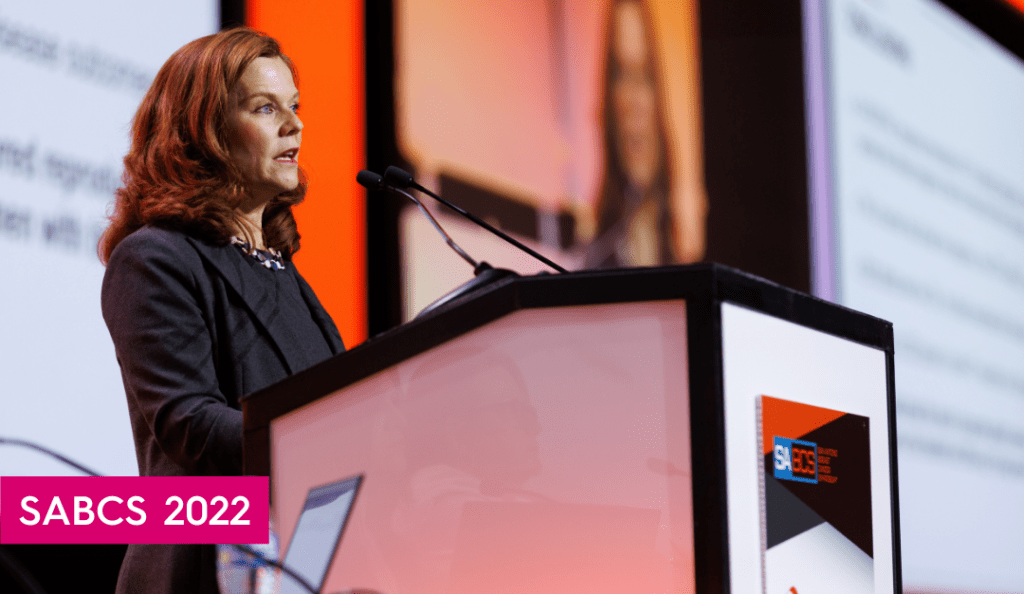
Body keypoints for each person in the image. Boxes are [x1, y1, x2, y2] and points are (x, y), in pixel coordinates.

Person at [98, 27, 345, 594]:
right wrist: (340, 433)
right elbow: (191, 425)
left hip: (298, 563)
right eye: (265, 108)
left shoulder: (285, 273)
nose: (295, 125)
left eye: (295, 106)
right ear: (203, 130)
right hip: (201, 570)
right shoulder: (155, 258)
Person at [585, 0, 679, 268]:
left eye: (645, 75)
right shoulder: (592, 258)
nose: (633, 101)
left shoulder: (692, 253)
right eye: (620, 75)